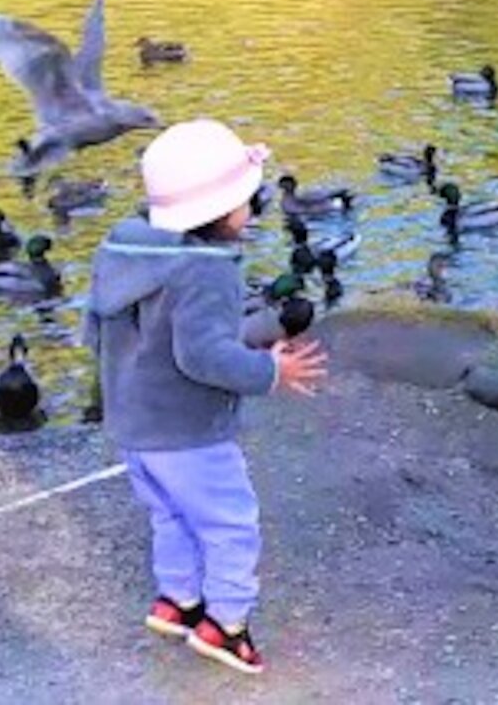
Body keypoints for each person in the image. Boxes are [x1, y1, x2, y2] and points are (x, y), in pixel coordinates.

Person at [85, 119, 327, 674]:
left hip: (134, 424)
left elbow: (95, 326)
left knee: (169, 515)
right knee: (230, 523)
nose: (255, 206)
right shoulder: (207, 270)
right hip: (188, 431)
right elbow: (203, 357)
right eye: (248, 198)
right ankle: (227, 624)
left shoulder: (124, 246)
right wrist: (269, 370)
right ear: (223, 209)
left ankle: (179, 600)